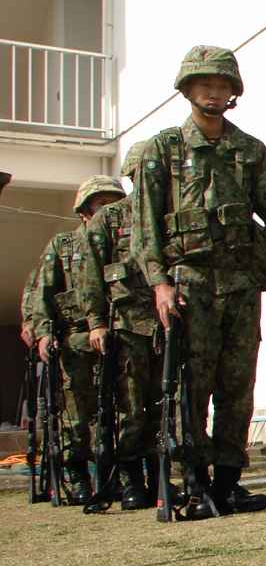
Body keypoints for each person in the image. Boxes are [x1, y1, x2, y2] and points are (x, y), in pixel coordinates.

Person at [133, 46, 266, 519]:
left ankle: (229, 482)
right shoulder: (162, 150)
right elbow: (146, 228)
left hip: (240, 285)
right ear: (188, 89)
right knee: (192, 386)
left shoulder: (249, 151)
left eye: (222, 84)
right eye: (204, 84)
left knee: (237, 386)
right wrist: (159, 284)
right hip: (187, 286)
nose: (214, 92)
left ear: (234, 92)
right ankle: (194, 481)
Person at [30, 175, 128, 505]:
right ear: (85, 210)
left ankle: (118, 476)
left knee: (118, 410)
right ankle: (78, 475)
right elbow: (43, 293)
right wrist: (43, 333)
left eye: (115, 203)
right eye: (103, 204)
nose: (110, 210)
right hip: (75, 341)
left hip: (118, 338)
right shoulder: (62, 245)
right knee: (76, 412)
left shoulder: (125, 244)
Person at [80, 144, 163, 509]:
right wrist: (97, 323)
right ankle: (130, 479)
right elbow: (91, 279)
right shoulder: (108, 219)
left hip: (166, 327)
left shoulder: (166, 214)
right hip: (126, 327)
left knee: (164, 406)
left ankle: (159, 476)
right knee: (131, 407)